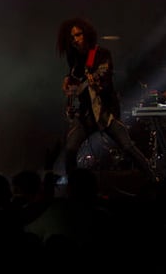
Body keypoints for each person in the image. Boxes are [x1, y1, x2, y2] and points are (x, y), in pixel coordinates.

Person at [56, 17, 155, 181]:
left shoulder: (100, 54)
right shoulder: (73, 57)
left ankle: (154, 180)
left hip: (104, 111)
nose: (75, 40)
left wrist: (95, 84)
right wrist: (68, 81)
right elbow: (75, 76)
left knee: (127, 146)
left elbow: (105, 80)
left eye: (78, 35)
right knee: (70, 149)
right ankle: (74, 187)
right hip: (85, 114)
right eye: (72, 37)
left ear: (86, 34)